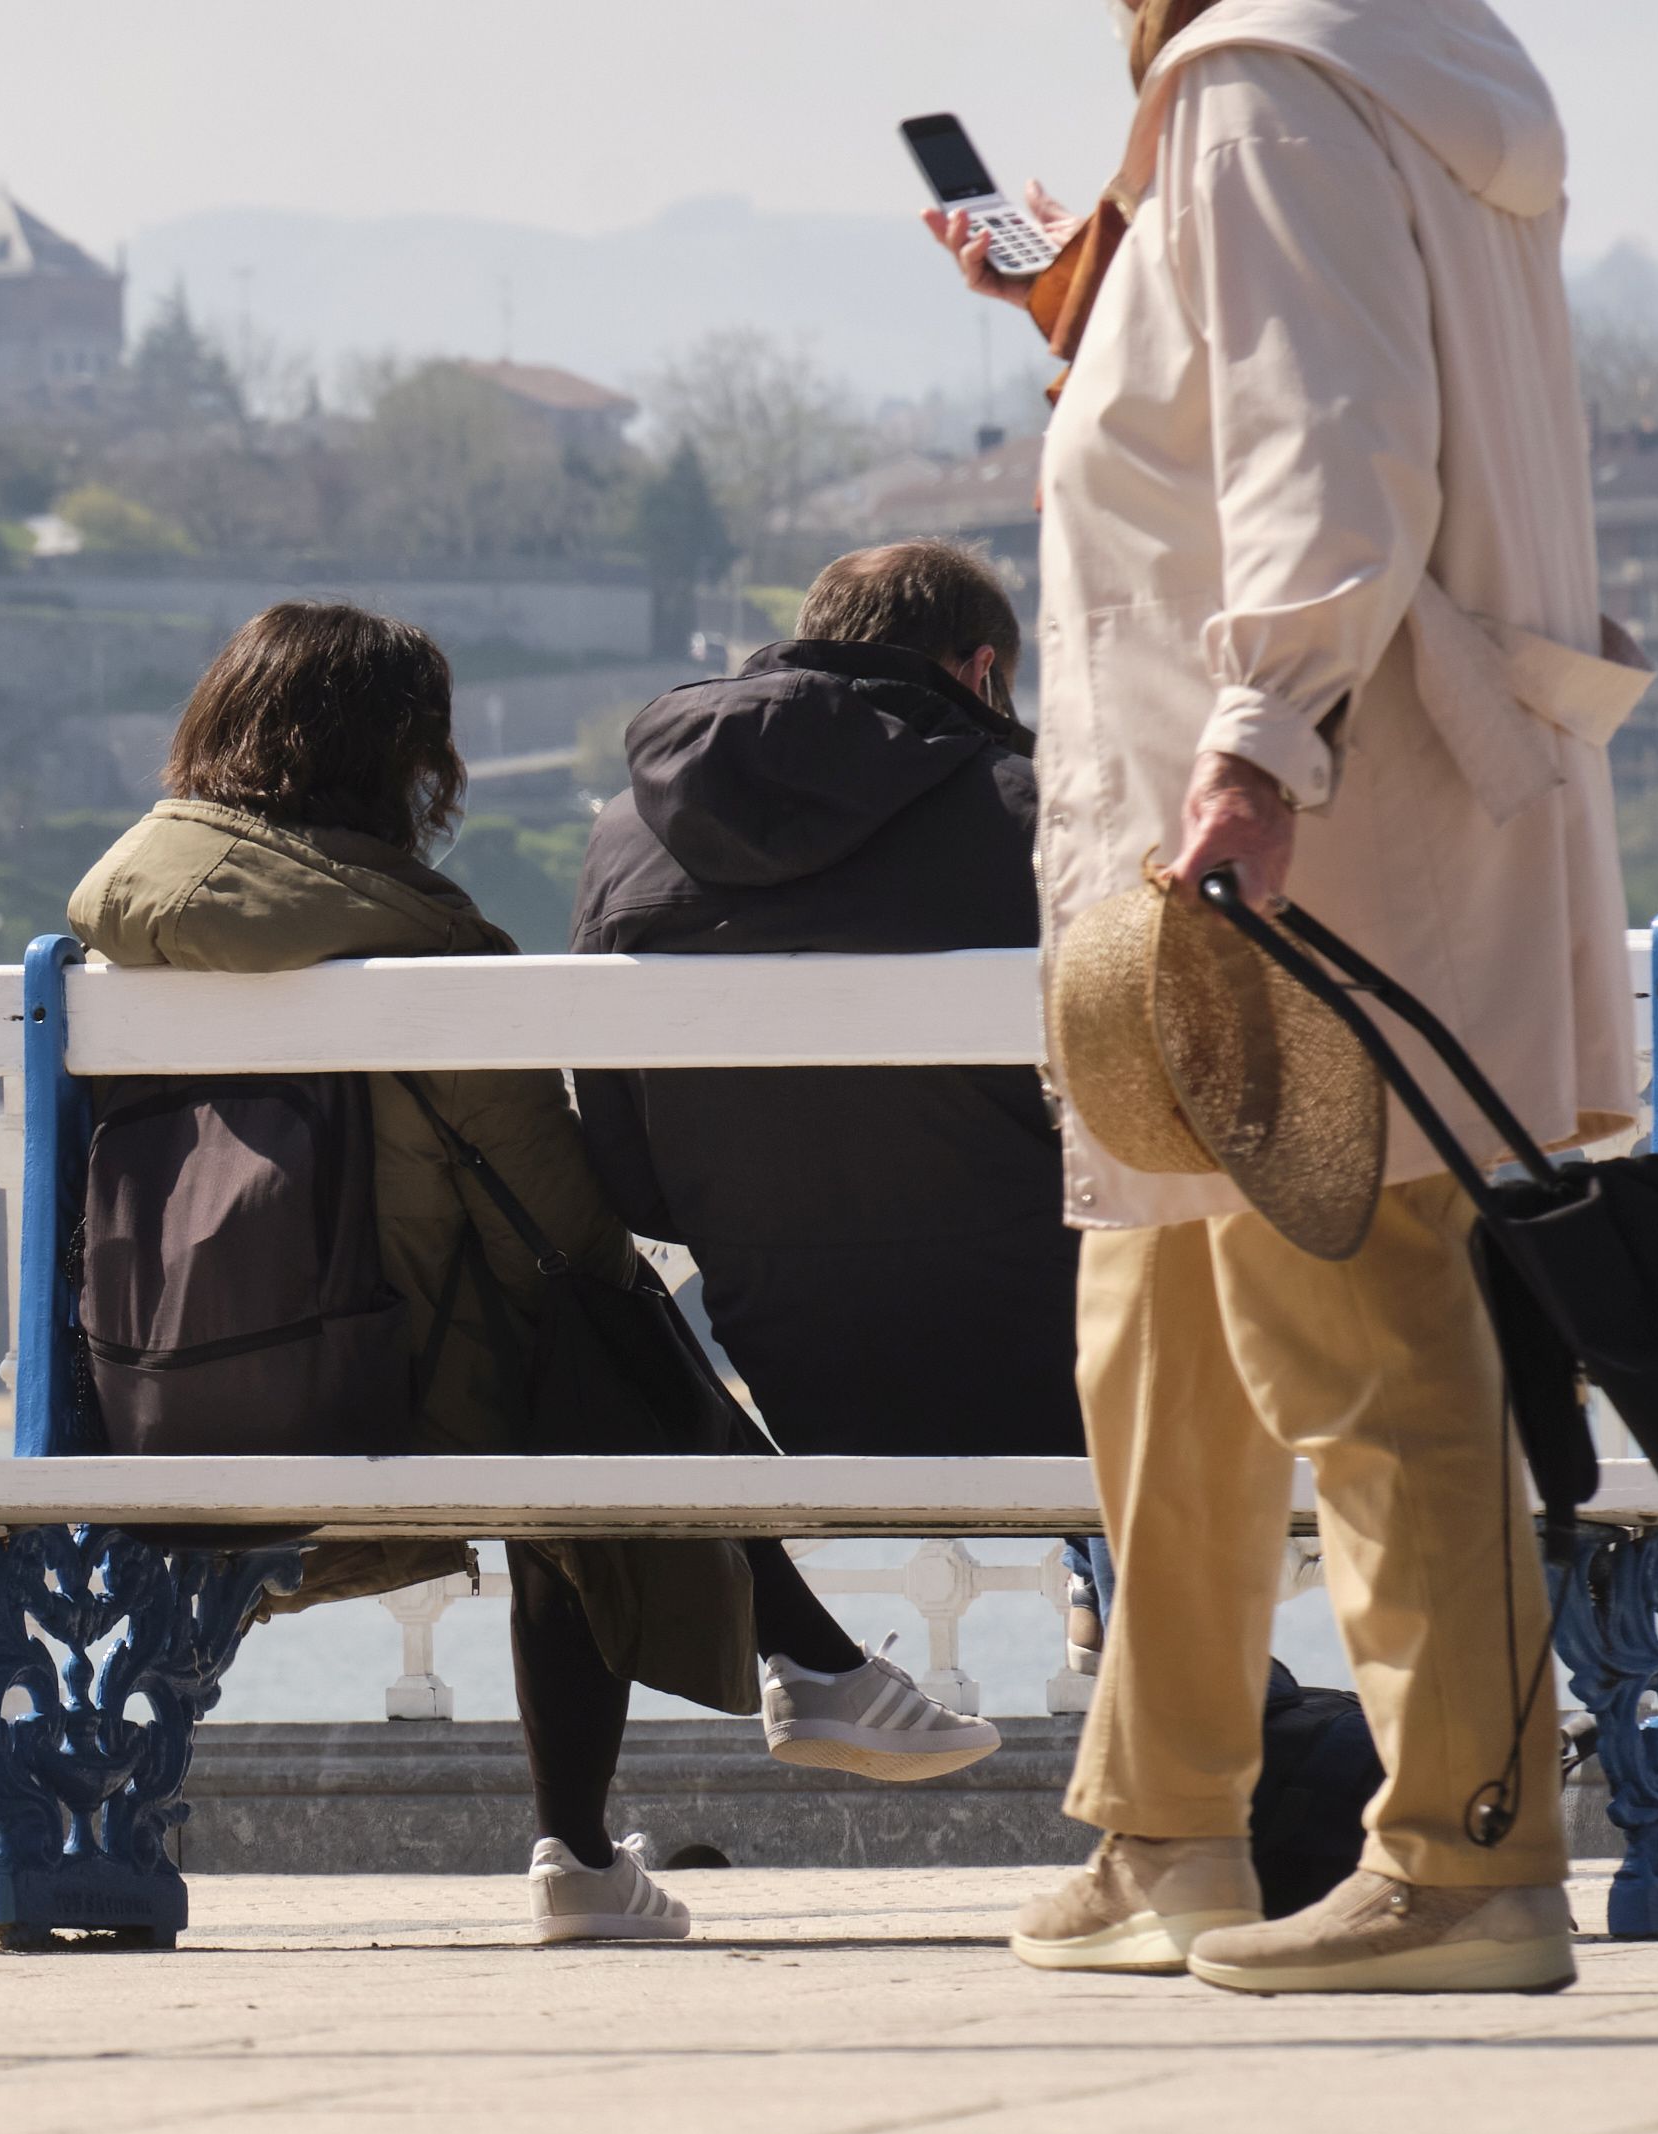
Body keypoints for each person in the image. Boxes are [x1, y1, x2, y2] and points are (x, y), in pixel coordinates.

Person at [933, 0, 1638, 1992]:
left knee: (1351, 1312)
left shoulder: (1257, 96)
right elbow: (1246, 424)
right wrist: (1100, 316)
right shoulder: (1393, 70)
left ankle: (1465, 1854)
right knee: (1160, 1309)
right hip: (1287, 804)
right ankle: (1164, 1822)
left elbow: (1330, 453)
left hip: (1274, 821)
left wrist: (1254, 760)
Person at [68, 602, 998, 1943]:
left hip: (156, 1388)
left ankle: (772, 1700)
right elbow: (554, 1207)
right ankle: (753, 1703)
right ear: (399, 756)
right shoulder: (404, 938)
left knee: (571, 1366)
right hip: (362, 1386)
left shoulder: (117, 929)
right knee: (586, 1357)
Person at [574, 540, 1100, 1679]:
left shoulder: (627, 835)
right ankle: (1124, 1599)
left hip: (795, 1378)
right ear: (978, 674)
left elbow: (628, 1176)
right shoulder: (1032, 818)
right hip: (1055, 1391)